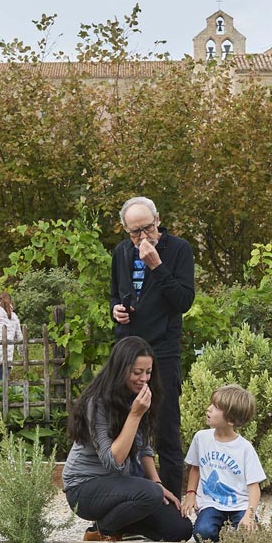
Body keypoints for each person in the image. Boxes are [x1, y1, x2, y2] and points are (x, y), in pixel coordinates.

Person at [62, 336, 193, 542]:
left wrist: (157, 483)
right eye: (137, 372)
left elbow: (145, 448)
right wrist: (135, 415)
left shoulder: (141, 394)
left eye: (148, 372)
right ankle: (103, 530)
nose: (144, 379)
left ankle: (119, 524)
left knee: (180, 529)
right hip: (85, 487)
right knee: (150, 494)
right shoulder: (97, 402)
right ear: (120, 369)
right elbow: (113, 461)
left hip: (122, 486)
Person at [110, 196, 195, 496]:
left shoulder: (178, 250)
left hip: (163, 351)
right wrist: (115, 310)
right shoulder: (121, 252)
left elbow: (183, 301)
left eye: (147, 228)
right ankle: (124, 500)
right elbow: (113, 293)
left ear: (157, 220)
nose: (143, 237)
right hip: (128, 350)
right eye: (135, 232)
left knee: (166, 431)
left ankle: (171, 507)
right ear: (125, 231)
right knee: (119, 425)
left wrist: (156, 266)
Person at [181, 384, 266, 542]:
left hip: (240, 505)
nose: (209, 409)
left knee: (248, 538)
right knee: (202, 534)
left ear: (231, 419)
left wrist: (250, 514)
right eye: (211, 404)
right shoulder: (201, 438)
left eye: (216, 407)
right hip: (210, 504)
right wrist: (190, 494)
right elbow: (196, 468)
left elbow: (254, 487)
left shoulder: (245, 448)